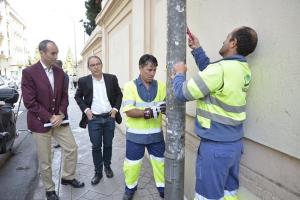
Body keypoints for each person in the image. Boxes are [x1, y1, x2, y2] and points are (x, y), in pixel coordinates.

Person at [172, 26, 258, 200]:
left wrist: (179, 74)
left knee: (207, 197)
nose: (223, 41)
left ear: (233, 43)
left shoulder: (220, 70)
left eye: (227, 37)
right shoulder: (242, 70)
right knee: (229, 193)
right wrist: (197, 49)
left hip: (216, 148)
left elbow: (182, 93)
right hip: (234, 146)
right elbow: (211, 75)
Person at [21, 40, 85, 200]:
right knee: (45, 158)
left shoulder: (59, 72)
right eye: (53, 53)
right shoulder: (29, 72)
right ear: (42, 53)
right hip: (40, 122)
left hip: (60, 120)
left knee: (72, 148)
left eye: (57, 52)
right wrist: (49, 117)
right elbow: (29, 102)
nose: (56, 56)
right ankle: (49, 189)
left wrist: (61, 114)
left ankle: (67, 177)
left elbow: (64, 96)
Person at [122, 54, 166, 200]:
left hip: (156, 136)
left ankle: (162, 188)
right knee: (132, 165)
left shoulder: (161, 86)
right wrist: (149, 112)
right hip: (135, 137)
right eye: (149, 70)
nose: (152, 73)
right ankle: (130, 189)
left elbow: (166, 106)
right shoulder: (130, 86)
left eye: (154, 70)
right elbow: (128, 110)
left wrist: (165, 108)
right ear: (140, 68)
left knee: (160, 164)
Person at [74, 55, 123, 185]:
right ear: (89, 67)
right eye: (92, 65)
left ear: (101, 65)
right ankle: (98, 172)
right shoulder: (84, 81)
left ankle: (107, 166)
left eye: (97, 64)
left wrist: (115, 110)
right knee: (96, 146)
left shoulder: (111, 78)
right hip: (94, 119)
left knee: (108, 144)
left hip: (109, 118)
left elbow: (119, 94)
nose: (95, 67)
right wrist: (86, 110)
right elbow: (77, 97)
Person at [53, 60, 69, 148]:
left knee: (62, 123)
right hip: (58, 103)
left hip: (60, 104)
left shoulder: (63, 75)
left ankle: (61, 142)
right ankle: (60, 142)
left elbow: (63, 91)